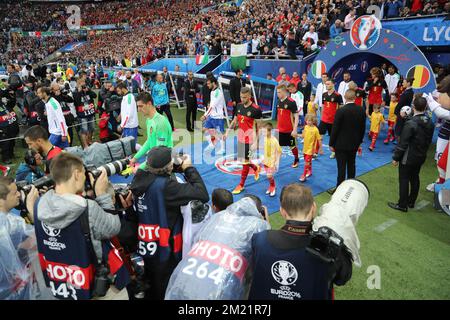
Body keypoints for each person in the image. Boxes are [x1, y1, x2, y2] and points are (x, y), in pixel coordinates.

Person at [34, 153, 125, 300]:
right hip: (93, 282)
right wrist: (102, 194)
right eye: (84, 173)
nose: (85, 178)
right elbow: (113, 228)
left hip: (63, 281)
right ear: (76, 174)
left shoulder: (40, 204)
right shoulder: (87, 207)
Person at [129, 146, 209, 300]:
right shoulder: (166, 187)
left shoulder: (139, 179)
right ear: (169, 166)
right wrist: (189, 168)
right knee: (165, 289)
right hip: (166, 250)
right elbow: (202, 194)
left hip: (147, 246)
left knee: (151, 282)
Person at [248, 183, 352, 300]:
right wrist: (339, 247)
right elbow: (343, 278)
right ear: (313, 208)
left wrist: (265, 227)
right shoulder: (327, 248)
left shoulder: (259, 239)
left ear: (282, 211)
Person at [388, 97, 434, 212]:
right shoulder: (429, 122)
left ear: (413, 107)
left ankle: (402, 204)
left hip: (409, 156)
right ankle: (411, 201)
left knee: (404, 179)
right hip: (421, 155)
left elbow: (403, 143)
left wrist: (396, 158)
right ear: (425, 107)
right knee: (415, 177)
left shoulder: (411, 123)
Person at [0, 176, 39, 300]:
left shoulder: (10, 220)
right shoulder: (10, 224)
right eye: (15, 192)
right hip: (15, 292)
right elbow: (42, 237)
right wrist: (32, 208)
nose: (19, 195)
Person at [224, 87, 262, 195]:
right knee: (243, 159)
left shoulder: (256, 109)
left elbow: (259, 127)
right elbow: (235, 120)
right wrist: (227, 132)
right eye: (241, 97)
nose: (242, 99)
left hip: (250, 140)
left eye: (244, 97)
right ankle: (255, 168)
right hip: (241, 137)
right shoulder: (239, 106)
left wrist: (257, 142)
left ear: (250, 96)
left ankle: (241, 184)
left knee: (245, 162)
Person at [329, 90, 366, 190]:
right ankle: (351, 188)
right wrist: (359, 142)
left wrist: (331, 143)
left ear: (345, 97)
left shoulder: (341, 111)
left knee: (341, 168)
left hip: (340, 144)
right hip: (354, 143)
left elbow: (335, 129)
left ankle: (339, 189)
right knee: (351, 165)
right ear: (355, 98)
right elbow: (363, 128)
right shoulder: (361, 110)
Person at [129, 92, 173, 170]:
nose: (138, 110)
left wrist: (140, 168)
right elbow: (149, 141)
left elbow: (160, 154)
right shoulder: (149, 120)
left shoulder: (160, 122)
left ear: (149, 103)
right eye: (137, 106)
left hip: (162, 166)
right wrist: (135, 158)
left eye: (141, 106)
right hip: (153, 161)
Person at [201, 77, 227, 154]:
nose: (207, 85)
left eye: (209, 83)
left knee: (220, 134)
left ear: (214, 83)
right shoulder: (212, 91)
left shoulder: (218, 92)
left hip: (218, 117)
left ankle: (222, 149)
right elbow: (211, 105)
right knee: (204, 129)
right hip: (211, 116)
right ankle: (211, 145)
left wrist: (205, 115)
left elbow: (212, 106)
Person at [276, 85, 300, 167]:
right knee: (277, 147)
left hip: (289, 130)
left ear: (284, 91)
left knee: (292, 146)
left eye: (279, 92)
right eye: (277, 92)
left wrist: (295, 129)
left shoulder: (291, 102)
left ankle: (296, 159)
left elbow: (296, 116)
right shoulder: (278, 101)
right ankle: (276, 163)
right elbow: (279, 115)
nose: (277, 94)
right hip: (279, 129)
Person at [319, 79, 343, 159]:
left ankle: (334, 152)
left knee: (333, 137)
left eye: (328, 84)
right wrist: (322, 115)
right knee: (318, 135)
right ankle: (316, 151)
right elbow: (323, 106)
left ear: (333, 84)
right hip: (324, 119)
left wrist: (339, 119)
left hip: (333, 120)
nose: (327, 85)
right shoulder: (324, 94)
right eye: (326, 84)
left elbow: (341, 108)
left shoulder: (338, 95)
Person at [51, 83, 76, 147]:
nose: (57, 91)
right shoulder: (51, 98)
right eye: (55, 90)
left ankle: (70, 146)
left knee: (70, 133)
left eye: (58, 89)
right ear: (52, 90)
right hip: (60, 120)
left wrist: (63, 95)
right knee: (63, 135)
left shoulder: (62, 95)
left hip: (68, 118)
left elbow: (71, 100)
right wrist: (56, 96)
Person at [300, 114, 323, 182]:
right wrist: (296, 135)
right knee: (307, 161)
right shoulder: (306, 127)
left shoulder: (315, 129)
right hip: (305, 148)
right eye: (307, 120)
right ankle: (309, 171)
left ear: (313, 121)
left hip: (311, 149)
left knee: (306, 162)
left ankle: (304, 175)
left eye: (310, 120)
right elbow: (303, 136)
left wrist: (320, 149)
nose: (308, 122)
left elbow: (319, 139)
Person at [261, 122, 281, 197]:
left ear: (269, 131)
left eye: (264, 131)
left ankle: (273, 187)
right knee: (268, 176)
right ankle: (271, 186)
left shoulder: (274, 140)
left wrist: (277, 162)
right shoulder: (265, 138)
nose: (263, 133)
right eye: (262, 131)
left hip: (272, 162)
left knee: (269, 176)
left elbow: (279, 152)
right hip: (266, 161)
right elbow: (266, 148)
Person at [0, 90, 19, 165]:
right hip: (3, 127)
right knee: (5, 142)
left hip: (11, 124)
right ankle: (6, 158)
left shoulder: (3, 101)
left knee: (12, 140)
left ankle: (11, 155)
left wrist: (11, 95)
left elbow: (12, 103)